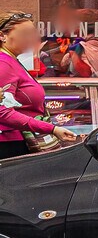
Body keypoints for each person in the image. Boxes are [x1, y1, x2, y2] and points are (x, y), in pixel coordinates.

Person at [0, 12, 79, 156]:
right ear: (2, 36)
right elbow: (2, 112)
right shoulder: (4, 63)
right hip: (11, 144)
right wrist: (51, 129)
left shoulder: (11, 60)